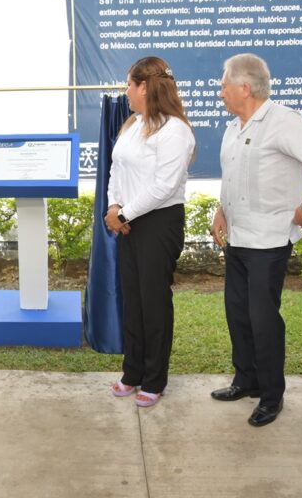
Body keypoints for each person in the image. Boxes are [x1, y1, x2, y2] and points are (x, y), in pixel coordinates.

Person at [209, 54, 302, 426]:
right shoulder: (233, 127)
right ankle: (245, 380)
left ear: (244, 88)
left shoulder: (282, 120)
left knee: (263, 319)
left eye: (223, 84)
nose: (220, 92)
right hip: (237, 238)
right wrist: (221, 211)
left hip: (268, 241)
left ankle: (271, 395)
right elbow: (232, 178)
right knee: (237, 314)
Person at [104, 57, 195, 407]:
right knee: (133, 300)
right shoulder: (133, 123)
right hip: (127, 220)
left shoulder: (175, 130)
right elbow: (116, 170)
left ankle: (154, 379)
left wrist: (123, 212)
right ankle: (133, 371)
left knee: (153, 302)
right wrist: (115, 207)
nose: (126, 91)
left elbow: (163, 186)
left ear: (145, 87)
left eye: (129, 84)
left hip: (159, 223)